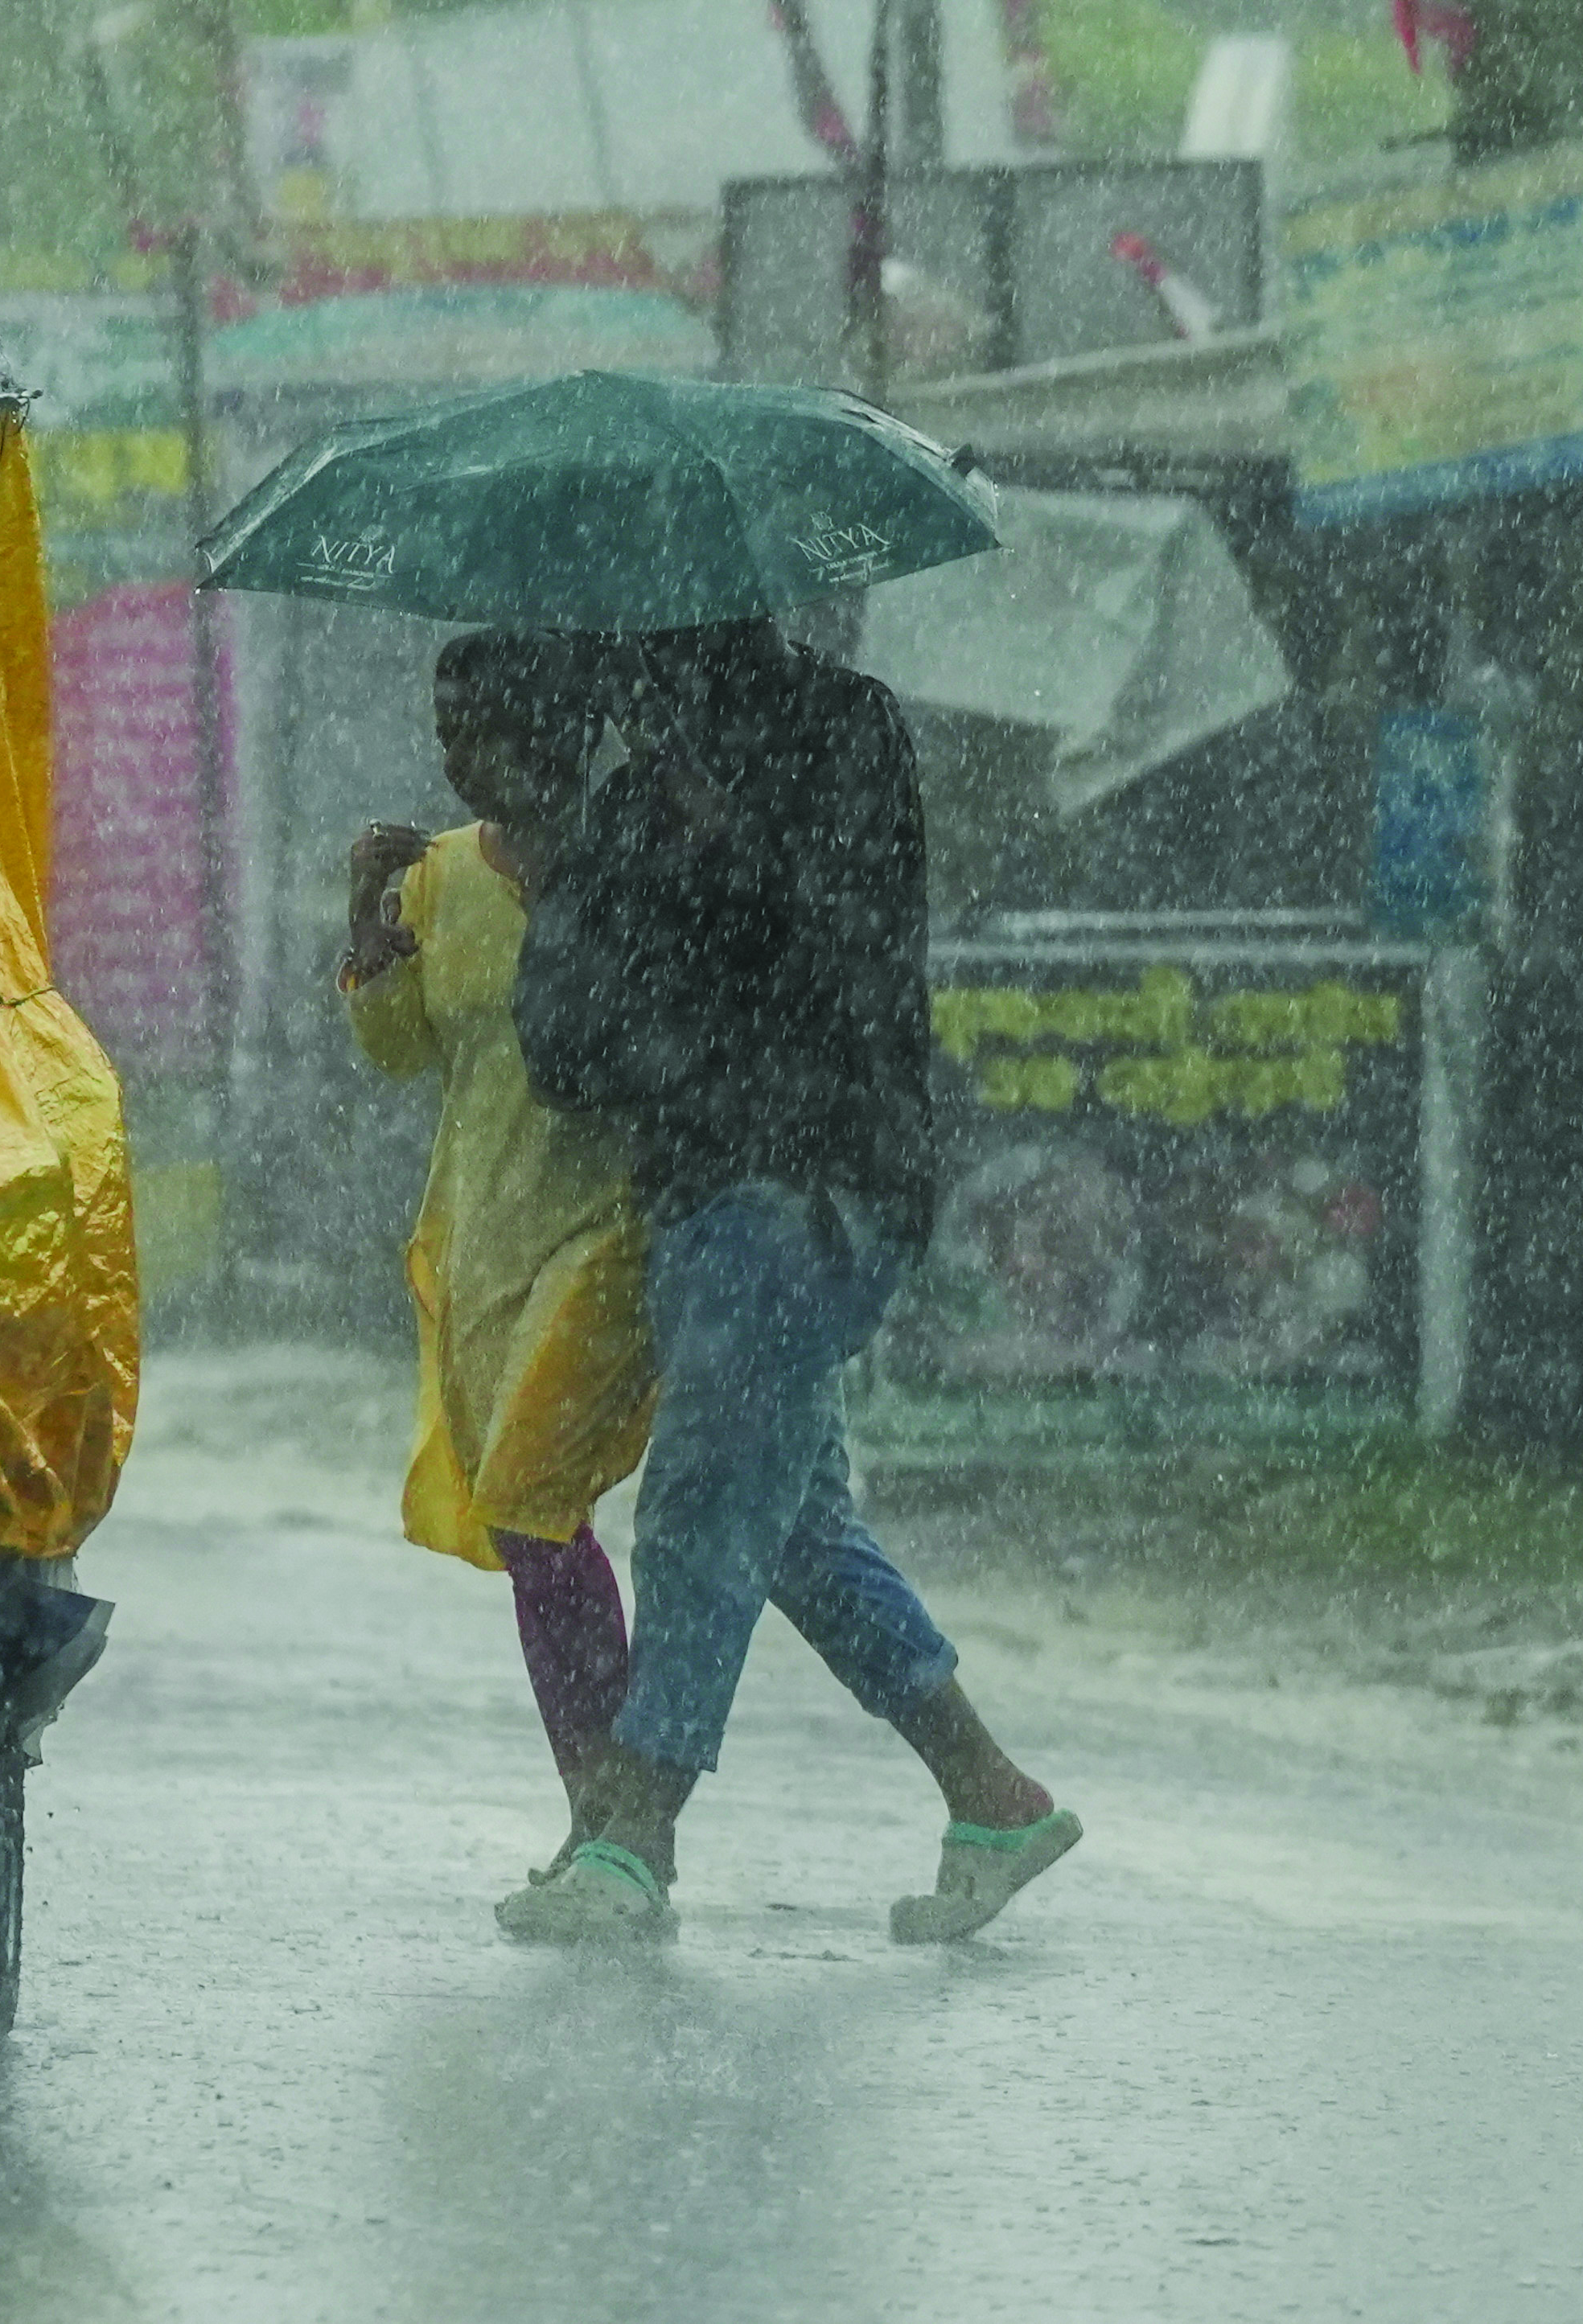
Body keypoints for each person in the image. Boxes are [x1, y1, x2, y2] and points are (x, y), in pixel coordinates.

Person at [495, 614, 1079, 1945]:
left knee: (700, 1505)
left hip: (806, 1190)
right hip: (704, 1196)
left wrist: (724, 856)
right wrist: (583, 879)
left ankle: (634, 1831)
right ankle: (993, 1797)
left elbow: (842, 951)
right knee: (799, 1530)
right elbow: (566, 1043)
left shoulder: (844, 738)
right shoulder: (632, 803)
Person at [341, 630, 655, 1880]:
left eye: (479, 731)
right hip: (480, 1235)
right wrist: (366, 919)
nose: (455, 759)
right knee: (535, 1532)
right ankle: (606, 1816)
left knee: (531, 1501)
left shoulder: (634, 863)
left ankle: (622, 1817)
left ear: (554, 733)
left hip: (611, 1227)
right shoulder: (442, 878)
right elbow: (401, 1050)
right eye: (444, 733)